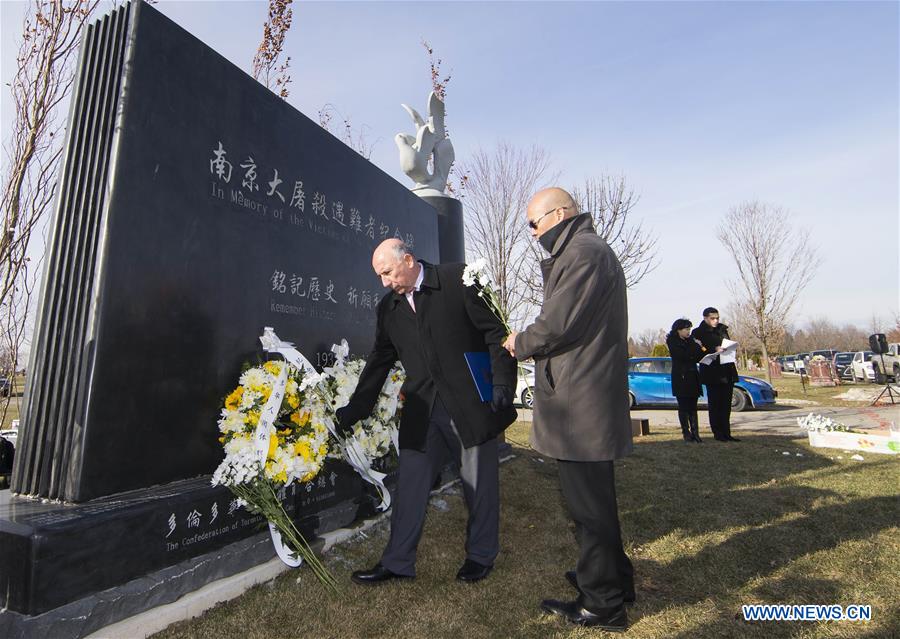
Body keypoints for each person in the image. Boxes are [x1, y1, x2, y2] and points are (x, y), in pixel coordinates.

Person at [336, 239, 517, 585]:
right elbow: (380, 360)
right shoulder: (388, 309)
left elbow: (496, 333)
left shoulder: (457, 281)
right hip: (422, 410)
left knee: (479, 485)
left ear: (407, 259)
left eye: (387, 273)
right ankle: (397, 561)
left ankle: (481, 555)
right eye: (379, 277)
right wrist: (357, 407)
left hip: (468, 405)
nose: (385, 283)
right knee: (411, 483)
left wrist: (502, 384)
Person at [503, 187, 634, 631]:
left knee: (589, 511)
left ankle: (603, 603)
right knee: (595, 504)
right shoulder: (585, 250)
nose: (534, 233)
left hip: (582, 407)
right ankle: (612, 580)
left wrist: (518, 342)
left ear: (559, 213)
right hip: (585, 400)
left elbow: (557, 323)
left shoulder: (582, 253)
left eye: (534, 223)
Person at [690, 307, 740, 442]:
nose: (716, 320)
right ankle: (717, 433)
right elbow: (698, 351)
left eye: (717, 318)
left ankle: (726, 433)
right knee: (715, 404)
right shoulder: (698, 332)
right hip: (713, 372)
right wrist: (713, 350)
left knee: (726, 405)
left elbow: (727, 344)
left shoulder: (722, 330)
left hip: (727, 370)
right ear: (705, 318)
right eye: (712, 318)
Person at [665, 318, 704, 443]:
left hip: (693, 376)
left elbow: (698, 356)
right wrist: (695, 346)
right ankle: (686, 433)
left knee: (693, 407)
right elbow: (683, 356)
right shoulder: (673, 342)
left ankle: (695, 433)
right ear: (678, 330)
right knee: (684, 407)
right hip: (681, 377)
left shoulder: (691, 341)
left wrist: (701, 347)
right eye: (686, 329)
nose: (689, 332)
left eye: (689, 329)